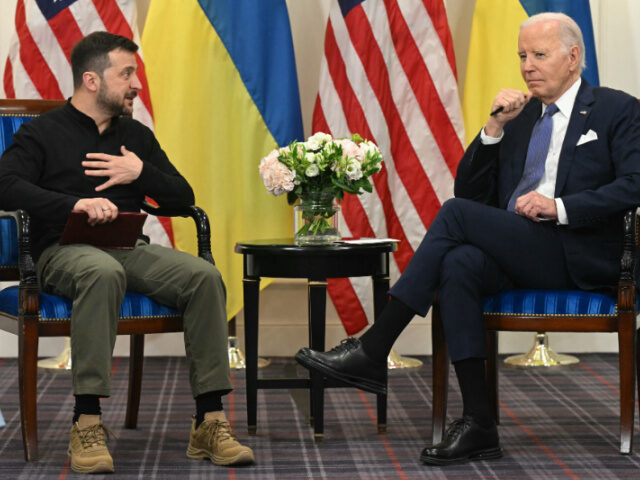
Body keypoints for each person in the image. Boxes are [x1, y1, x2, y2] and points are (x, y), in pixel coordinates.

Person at [296, 12, 640, 466]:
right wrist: (493, 130)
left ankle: (374, 346)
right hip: (520, 247)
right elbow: (470, 194)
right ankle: (479, 423)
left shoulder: (617, 108)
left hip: (578, 251)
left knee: (455, 219)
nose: (527, 66)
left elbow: (634, 183)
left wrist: (556, 207)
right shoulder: (518, 118)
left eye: (539, 54)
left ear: (573, 57)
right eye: (522, 55)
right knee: (458, 265)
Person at [0, 32, 254, 473]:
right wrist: (73, 204)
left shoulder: (135, 135)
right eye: (127, 73)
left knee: (204, 277)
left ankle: (209, 421)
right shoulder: (41, 133)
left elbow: (182, 197)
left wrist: (142, 171)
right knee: (101, 272)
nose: (137, 83)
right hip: (64, 249)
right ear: (92, 80)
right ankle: (87, 422)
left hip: (129, 247)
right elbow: (5, 183)